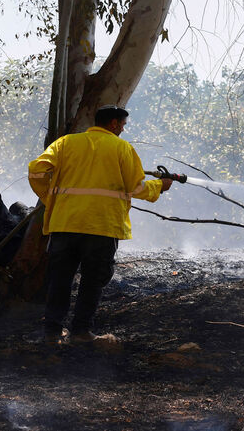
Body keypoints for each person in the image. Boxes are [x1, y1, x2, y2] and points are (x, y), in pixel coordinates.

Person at [28, 105, 171, 344]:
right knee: (93, 280)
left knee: (60, 279)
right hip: (101, 226)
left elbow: (36, 171)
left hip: (65, 223)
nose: (123, 131)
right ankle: (81, 332)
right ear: (113, 124)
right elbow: (136, 188)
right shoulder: (122, 148)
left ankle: (52, 334)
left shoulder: (65, 143)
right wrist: (160, 186)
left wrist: (50, 197)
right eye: (122, 126)